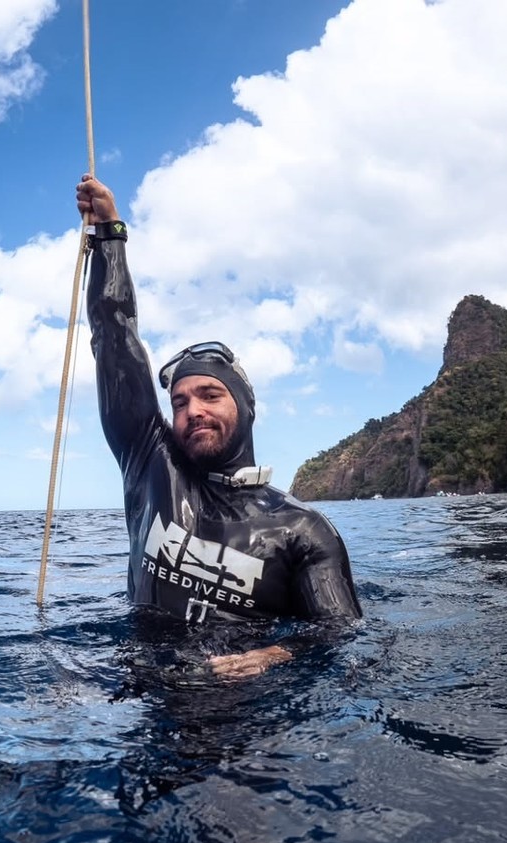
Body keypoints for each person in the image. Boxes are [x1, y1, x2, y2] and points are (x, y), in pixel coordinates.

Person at [76, 174, 362, 678]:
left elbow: (339, 632)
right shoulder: (151, 466)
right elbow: (114, 337)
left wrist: (277, 654)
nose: (193, 410)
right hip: (144, 696)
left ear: (246, 408)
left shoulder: (303, 530)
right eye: (179, 402)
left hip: (249, 707)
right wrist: (110, 235)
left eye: (210, 395)